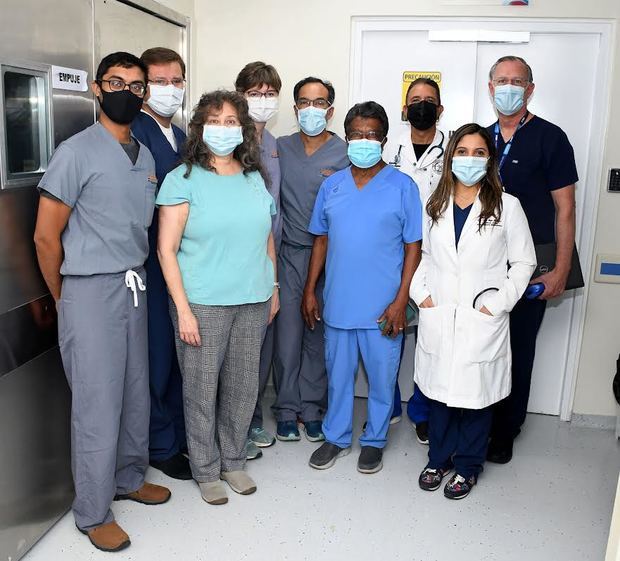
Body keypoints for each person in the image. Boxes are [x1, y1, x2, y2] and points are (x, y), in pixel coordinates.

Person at [34, 52, 171, 553]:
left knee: (136, 389)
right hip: (89, 289)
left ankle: (129, 477)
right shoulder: (76, 152)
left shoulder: (147, 155)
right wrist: (65, 298)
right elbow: (46, 238)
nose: (127, 92)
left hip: (134, 285)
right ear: (97, 88)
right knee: (97, 402)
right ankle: (92, 511)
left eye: (137, 87)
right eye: (117, 83)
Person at [156, 90, 279, 506]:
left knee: (244, 388)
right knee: (201, 389)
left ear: (243, 130)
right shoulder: (182, 179)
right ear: (199, 128)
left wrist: (273, 287)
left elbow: (266, 236)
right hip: (203, 303)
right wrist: (184, 311)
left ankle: (233, 460)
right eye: (215, 120)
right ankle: (206, 469)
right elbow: (165, 250)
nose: (223, 130)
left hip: (253, 299)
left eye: (231, 122)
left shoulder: (253, 177)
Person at [411, 123, 536, 499]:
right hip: (440, 312)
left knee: (477, 399)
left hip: (481, 318)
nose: (469, 159)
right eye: (462, 151)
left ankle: (467, 466)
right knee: (440, 394)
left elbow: (524, 263)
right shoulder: (435, 203)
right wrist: (422, 295)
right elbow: (425, 257)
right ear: (451, 158)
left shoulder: (507, 206)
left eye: (478, 152)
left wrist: (496, 305)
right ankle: (439, 459)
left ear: (490, 160)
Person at [304, 101, 423, 474]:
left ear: (384, 139)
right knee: (337, 377)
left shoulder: (403, 187)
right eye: (356, 134)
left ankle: (373, 440)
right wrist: (310, 290)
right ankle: (336, 437)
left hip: (384, 305)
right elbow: (320, 240)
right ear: (347, 137)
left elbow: (413, 247)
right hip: (339, 301)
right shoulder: (332, 185)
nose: (364, 140)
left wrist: (401, 300)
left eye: (371, 134)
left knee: (382, 379)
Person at [485, 56, 578, 464]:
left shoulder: (550, 138)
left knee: (519, 346)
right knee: (483, 343)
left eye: (516, 81)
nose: (508, 87)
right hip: (484, 263)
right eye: (501, 80)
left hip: (531, 264)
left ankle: (507, 428)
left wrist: (560, 269)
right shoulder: (479, 140)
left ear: (530, 89)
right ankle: (478, 420)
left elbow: (566, 209)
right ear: (490, 88)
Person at [271, 77, 349, 442]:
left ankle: (313, 407)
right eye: (304, 102)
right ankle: (286, 408)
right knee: (287, 335)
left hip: (330, 258)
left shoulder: (346, 153)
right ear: (295, 109)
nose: (311, 109)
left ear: (330, 111)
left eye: (319, 103)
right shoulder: (279, 148)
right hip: (288, 254)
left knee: (317, 335)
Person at [130, 47, 190, 480]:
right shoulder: (135, 133)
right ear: (143, 86)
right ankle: (160, 444)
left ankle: (179, 437)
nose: (170, 90)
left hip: (182, 261)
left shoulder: (182, 136)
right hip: (149, 261)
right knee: (156, 357)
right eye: (160, 81)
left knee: (176, 353)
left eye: (177, 81)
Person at [383, 77, 448, 444]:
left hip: (439, 258)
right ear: (405, 110)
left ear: (439, 109)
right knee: (390, 332)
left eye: (429, 100)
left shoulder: (455, 149)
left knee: (432, 337)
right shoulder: (388, 148)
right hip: (394, 256)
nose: (422, 106)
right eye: (415, 100)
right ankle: (387, 405)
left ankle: (423, 411)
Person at [234, 61, 282, 460]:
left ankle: (249, 417)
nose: (262, 101)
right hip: (241, 258)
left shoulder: (274, 144)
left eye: (269, 94)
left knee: (259, 346)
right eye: (255, 93)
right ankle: (235, 424)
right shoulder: (232, 142)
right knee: (239, 348)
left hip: (270, 255)